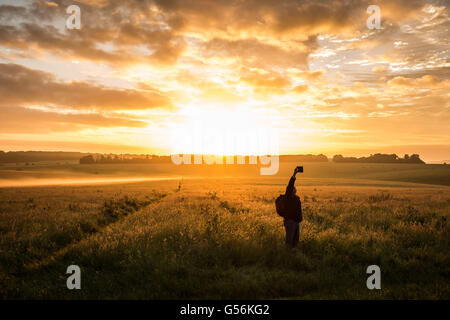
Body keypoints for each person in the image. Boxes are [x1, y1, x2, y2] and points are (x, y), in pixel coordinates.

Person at [283, 167, 303, 248]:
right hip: (290, 222)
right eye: (293, 188)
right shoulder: (288, 197)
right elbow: (290, 185)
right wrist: (294, 174)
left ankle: (293, 255)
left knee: (295, 241)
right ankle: (287, 257)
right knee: (289, 241)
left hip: (296, 222)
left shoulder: (296, 198)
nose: (295, 189)